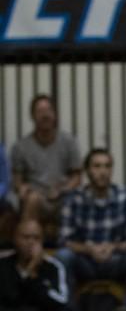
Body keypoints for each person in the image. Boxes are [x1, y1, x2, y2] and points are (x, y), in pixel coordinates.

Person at [55, 148, 126, 288]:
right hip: (85, 261)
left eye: (107, 166)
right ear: (87, 170)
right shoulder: (73, 199)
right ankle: (68, 309)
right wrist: (90, 250)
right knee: (63, 256)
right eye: (97, 166)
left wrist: (112, 247)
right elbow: (64, 241)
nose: (103, 172)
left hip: (115, 260)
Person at [10, 95, 81, 225]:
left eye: (49, 110)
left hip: (62, 195)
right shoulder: (20, 147)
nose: (45, 115)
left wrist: (62, 190)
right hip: (36, 196)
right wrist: (22, 188)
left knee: (74, 200)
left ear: (55, 114)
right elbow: (17, 180)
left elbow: (77, 176)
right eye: (40, 111)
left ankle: (71, 244)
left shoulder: (69, 142)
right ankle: (30, 241)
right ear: (32, 116)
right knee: (32, 200)